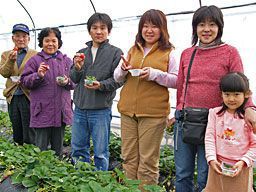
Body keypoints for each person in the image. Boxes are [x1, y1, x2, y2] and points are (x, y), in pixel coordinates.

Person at [174, 5, 256, 192]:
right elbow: (181, 85)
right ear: (195, 28)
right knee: (182, 173)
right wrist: (178, 108)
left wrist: (250, 108)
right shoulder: (188, 53)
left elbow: (240, 84)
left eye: (212, 24)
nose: (206, 29)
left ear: (220, 27)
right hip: (186, 119)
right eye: (201, 24)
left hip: (214, 122)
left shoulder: (230, 52)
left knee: (207, 174)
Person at [114, 9, 178, 187]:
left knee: (148, 161)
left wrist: (155, 74)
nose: (149, 30)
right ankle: (129, 189)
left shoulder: (169, 53)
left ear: (162, 29)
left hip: (153, 114)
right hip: (128, 111)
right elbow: (117, 77)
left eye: (154, 26)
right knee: (128, 158)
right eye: (145, 26)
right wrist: (122, 69)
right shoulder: (133, 50)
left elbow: (178, 80)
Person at [70, 13, 123, 171]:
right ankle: (81, 178)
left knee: (101, 152)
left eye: (103, 28)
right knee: (78, 149)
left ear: (109, 31)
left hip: (100, 110)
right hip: (80, 109)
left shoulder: (115, 53)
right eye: (95, 28)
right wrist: (77, 68)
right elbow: (73, 77)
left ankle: (100, 182)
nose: (98, 31)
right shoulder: (81, 52)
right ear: (89, 31)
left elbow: (119, 80)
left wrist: (100, 85)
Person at [20, 27, 74, 157]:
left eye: (54, 41)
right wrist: (38, 75)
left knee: (58, 150)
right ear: (41, 42)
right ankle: (41, 174)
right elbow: (24, 81)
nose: (50, 44)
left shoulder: (66, 61)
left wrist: (67, 82)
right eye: (47, 41)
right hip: (42, 111)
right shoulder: (35, 61)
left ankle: (56, 175)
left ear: (58, 42)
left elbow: (75, 82)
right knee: (41, 150)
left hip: (61, 111)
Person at [204, 72, 256, 191]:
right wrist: (211, 158)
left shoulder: (249, 118)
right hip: (217, 164)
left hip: (241, 167)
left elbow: (254, 145)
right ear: (221, 94)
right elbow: (210, 137)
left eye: (236, 94)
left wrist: (244, 161)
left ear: (247, 94)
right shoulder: (214, 113)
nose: (231, 99)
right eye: (227, 94)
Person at [0, 23, 37, 145]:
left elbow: (38, 75)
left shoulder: (35, 55)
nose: (21, 39)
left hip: (28, 95)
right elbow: (4, 73)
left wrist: (26, 79)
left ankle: (30, 153)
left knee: (29, 127)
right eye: (17, 36)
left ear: (29, 38)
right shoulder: (6, 54)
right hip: (13, 95)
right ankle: (18, 153)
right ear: (13, 38)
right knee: (16, 126)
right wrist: (10, 60)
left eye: (24, 36)